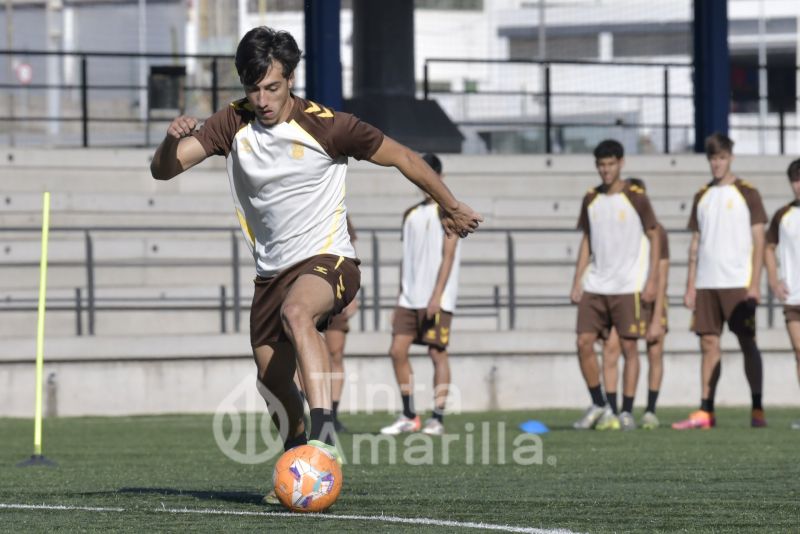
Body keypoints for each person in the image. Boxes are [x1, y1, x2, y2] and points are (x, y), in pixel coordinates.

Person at [149, 27, 481, 466]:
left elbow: (403, 157)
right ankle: (300, 462)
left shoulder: (329, 126)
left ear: (291, 79)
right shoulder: (232, 121)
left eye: (272, 87)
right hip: (271, 274)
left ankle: (324, 437)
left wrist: (451, 205)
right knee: (271, 383)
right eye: (253, 88)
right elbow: (164, 171)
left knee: (297, 312)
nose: (262, 99)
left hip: (329, 260)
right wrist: (170, 139)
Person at [673, 132, 767, 430]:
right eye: (713, 158)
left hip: (737, 282)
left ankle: (757, 407)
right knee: (708, 343)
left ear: (731, 158)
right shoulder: (701, 195)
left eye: (722, 158)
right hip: (706, 282)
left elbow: (760, 241)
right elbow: (695, 243)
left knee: (747, 343)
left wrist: (755, 284)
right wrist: (690, 284)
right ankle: (706, 410)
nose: (717, 164)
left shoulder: (747, 193)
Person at [570, 140, 660, 431]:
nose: (606, 170)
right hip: (596, 283)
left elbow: (655, 236)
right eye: (601, 165)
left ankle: (627, 411)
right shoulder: (590, 198)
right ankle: (600, 403)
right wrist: (577, 280)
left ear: (621, 163)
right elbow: (587, 240)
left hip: (628, 285)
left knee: (629, 347)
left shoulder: (636, 197)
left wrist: (651, 280)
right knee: (583, 342)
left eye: (610, 164)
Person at [380, 153, 461, 436]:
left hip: (438, 298)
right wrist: (399, 298)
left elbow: (449, 256)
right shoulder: (410, 215)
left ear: (440, 177)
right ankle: (409, 415)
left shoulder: (449, 212)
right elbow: (407, 259)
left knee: (436, 352)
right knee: (396, 351)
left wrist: (437, 296)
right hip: (409, 298)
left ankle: (437, 418)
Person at [601, 178, 669, 430]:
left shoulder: (657, 232)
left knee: (654, 351)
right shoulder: (620, 228)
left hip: (651, 299)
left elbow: (662, 274)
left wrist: (657, 316)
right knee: (614, 348)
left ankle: (650, 410)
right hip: (626, 296)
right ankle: (613, 410)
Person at [764, 158, 800, 430]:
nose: (798, 185)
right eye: (795, 180)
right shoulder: (783, 215)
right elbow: (768, 247)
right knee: (799, 352)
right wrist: (774, 280)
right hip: (793, 296)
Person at [325, 215, 359, 433]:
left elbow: (350, 252)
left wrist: (352, 294)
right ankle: (303, 412)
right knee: (299, 352)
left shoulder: (339, 212)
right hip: (304, 289)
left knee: (335, 354)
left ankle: (332, 415)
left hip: (335, 289)